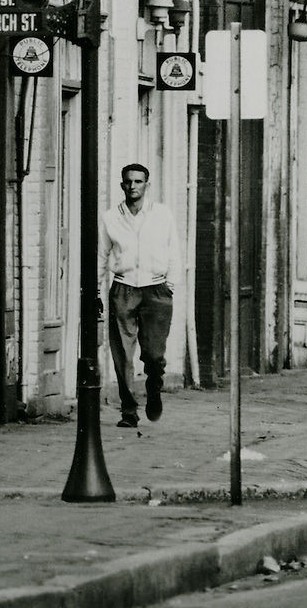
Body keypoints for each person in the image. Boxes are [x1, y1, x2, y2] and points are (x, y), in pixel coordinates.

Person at [98, 163, 181, 428]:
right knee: (122, 353)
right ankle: (129, 411)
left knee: (154, 355)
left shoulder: (162, 215)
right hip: (123, 289)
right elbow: (101, 256)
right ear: (122, 185)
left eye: (138, 181)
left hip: (156, 289)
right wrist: (95, 291)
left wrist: (170, 285)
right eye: (128, 181)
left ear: (147, 184)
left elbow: (174, 251)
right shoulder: (111, 217)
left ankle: (154, 388)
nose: (133, 186)